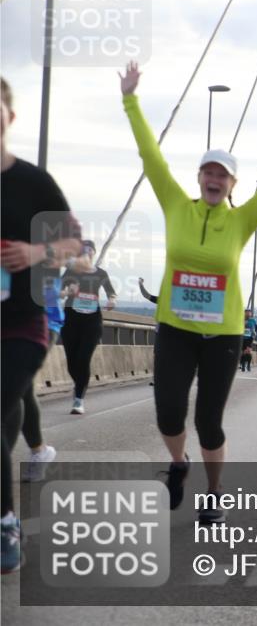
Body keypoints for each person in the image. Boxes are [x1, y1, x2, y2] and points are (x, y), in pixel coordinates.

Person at [119, 61, 257, 523]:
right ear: (199, 178)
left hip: (223, 336)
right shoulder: (175, 206)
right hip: (175, 329)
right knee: (168, 413)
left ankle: (214, 490)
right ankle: (177, 463)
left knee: (209, 422)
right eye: (207, 171)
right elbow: (151, 155)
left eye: (222, 174)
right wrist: (130, 98)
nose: (213, 177)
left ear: (231, 185)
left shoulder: (242, 219)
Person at [2, 76, 82, 573]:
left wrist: (37, 250)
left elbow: (75, 245)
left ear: (10, 116)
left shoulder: (32, 182)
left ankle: (6, 523)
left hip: (23, 323)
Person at [60, 239, 116, 414]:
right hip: (71, 320)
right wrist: (67, 292)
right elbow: (57, 291)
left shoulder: (101, 273)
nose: (87, 252)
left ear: (94, 253)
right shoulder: (70, 271)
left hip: (92, 322)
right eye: (84, 249)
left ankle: (78, 399)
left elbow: (111, 292)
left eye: (90, 249)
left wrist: (112, 300)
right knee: (72, 363)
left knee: (83, 359)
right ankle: (80, 384)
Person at [20, 272, 63, 482]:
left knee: (18, 383)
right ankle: (39, 450)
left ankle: (39, 450)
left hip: (41, 321)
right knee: (18, 388)